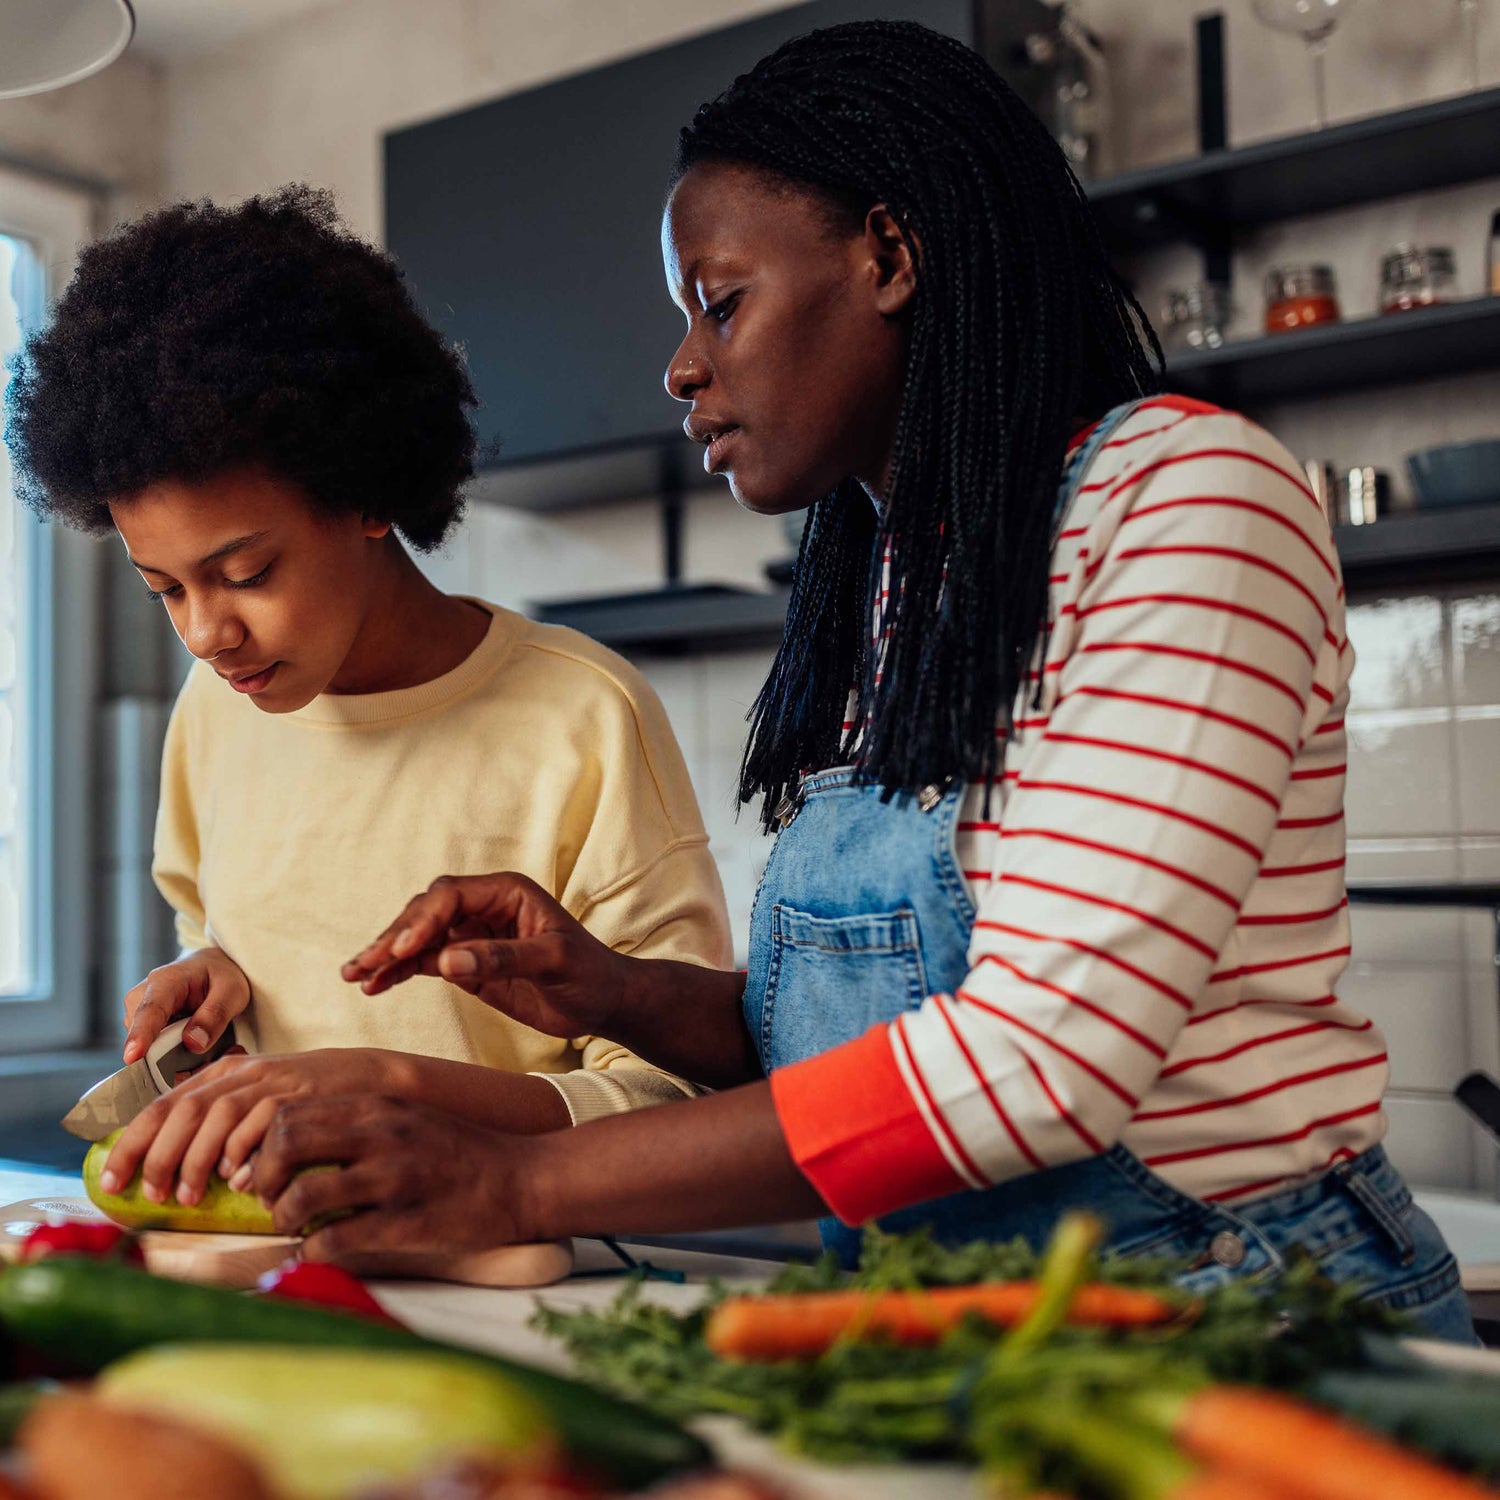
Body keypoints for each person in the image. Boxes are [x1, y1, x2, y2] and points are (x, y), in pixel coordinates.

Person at [249, 25, 1468, 1339]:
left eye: (720, 302)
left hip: (1240, 1311)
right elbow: (876, 1044)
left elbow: (1039, 1064)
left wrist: (515, 1181)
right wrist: (619, 994)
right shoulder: (896, 582)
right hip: (948, 1316)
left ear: (889, 256)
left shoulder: (1185, 500)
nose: (681, 367)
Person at [6, 187, 731, 1207]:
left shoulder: (583, 716)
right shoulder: (214, 713)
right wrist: (215, 986)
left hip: (511, 1277)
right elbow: (230, 937)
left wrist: (395, 1093)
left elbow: (680, 1096)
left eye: (247, 573)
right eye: (165, 587)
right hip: (283, 1267)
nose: (207, 634)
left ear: (367, 494)